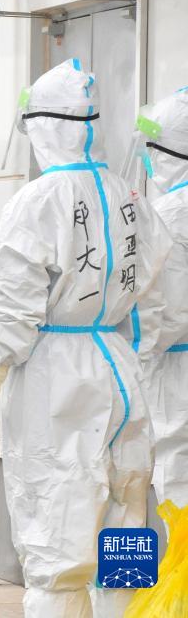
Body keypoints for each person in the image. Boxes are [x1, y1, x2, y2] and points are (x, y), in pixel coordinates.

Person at [0, 58, 171, 617]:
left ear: (44, 127)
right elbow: (152, 287)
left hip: (56, 373)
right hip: (118, 366)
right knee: (126, 514)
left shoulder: (39, 200)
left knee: (55, 522)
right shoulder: (129, 196)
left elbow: (14, 296)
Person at [134, 88, 188, 508]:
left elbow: (169, 313)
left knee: (177, 473)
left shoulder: (169, 215)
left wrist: (134, 351)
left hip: (177, 371)